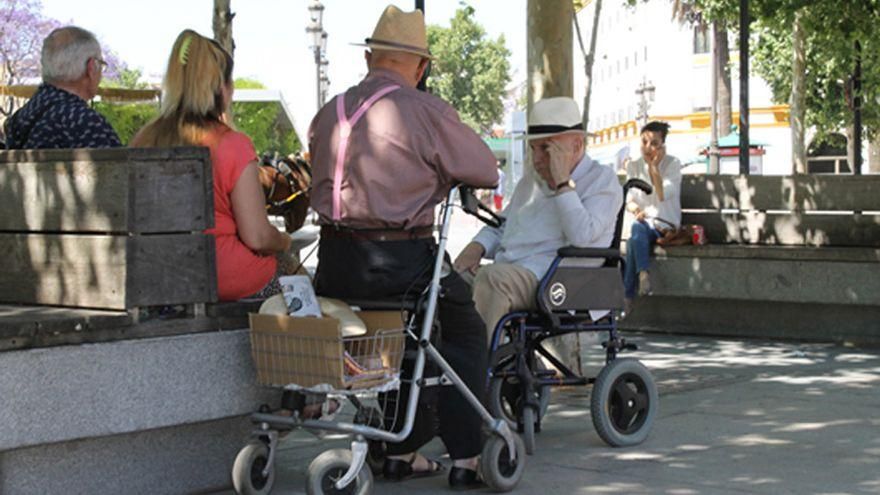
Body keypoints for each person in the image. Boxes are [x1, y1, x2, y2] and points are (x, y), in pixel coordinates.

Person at [308, 5, 497, 489]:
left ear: (371, 57)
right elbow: (485, 169)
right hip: (401, 261)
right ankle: (468, 457)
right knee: (463, 330)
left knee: (398, 331)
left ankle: (401, 449)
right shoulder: (424, 110)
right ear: (420, 66)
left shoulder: (330, 111)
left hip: (334, 264)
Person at [453, 97, 623, 364]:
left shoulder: (603, 181)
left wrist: (563, 184)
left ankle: (476, 372)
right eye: (533, 149)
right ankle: (445, 370)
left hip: (557, 277)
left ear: (576, 145)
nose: (537, 159)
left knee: (493, 279)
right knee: (446, 280)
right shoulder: (530, 181)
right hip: (513, 269)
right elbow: (503, 225)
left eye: (546, 148)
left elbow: (582, 236)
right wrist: (476, 248)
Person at [130, 30, 291, 301]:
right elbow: (258, 237)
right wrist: (285, 242)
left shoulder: (143, 139)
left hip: (158, 274)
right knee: (300, 287)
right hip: (222, 277)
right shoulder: (232, 144)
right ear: (221, 88)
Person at [4, 26, 121, 149]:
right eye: (101, 64)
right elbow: (122, 166)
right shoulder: (84, 121)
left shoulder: (20, 118)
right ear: (91, 67)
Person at [623, 121, 682, 309]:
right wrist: (635, 210)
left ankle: (626, 298)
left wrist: (654, 167)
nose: (648, 148)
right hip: (643, 225)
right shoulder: (633, 166)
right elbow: (629, 199)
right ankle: (643, 275)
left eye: (654, 143)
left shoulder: (673, 164)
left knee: (634, 239)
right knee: (636, 232)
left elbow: (662, 194)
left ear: (663, 145)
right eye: (644, 142)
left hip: (664, 226)